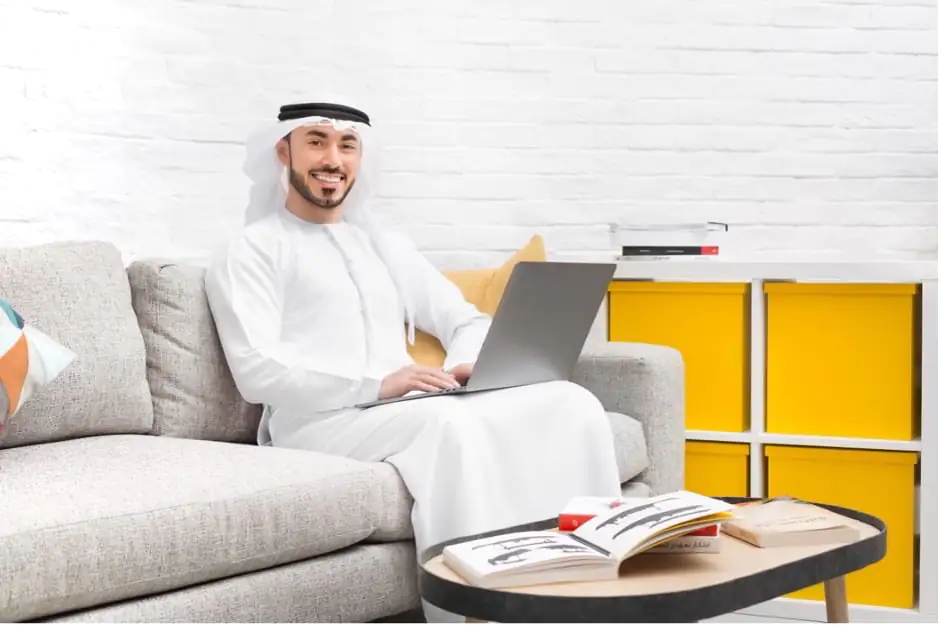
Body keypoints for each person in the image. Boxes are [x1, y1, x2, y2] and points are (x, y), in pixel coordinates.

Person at [204, 97, 623, 622]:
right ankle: (479, 608)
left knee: (570, 402)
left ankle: (594, 591)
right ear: (283, 152)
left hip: (408, 405)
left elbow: (463, 319)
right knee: (454, 429)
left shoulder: (380, 244)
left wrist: (469, 366)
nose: (332, 158)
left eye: (346, 144)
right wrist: (378, 384)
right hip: (320, 422)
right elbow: (256, 372)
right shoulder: (251, 249)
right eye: (316, 142)